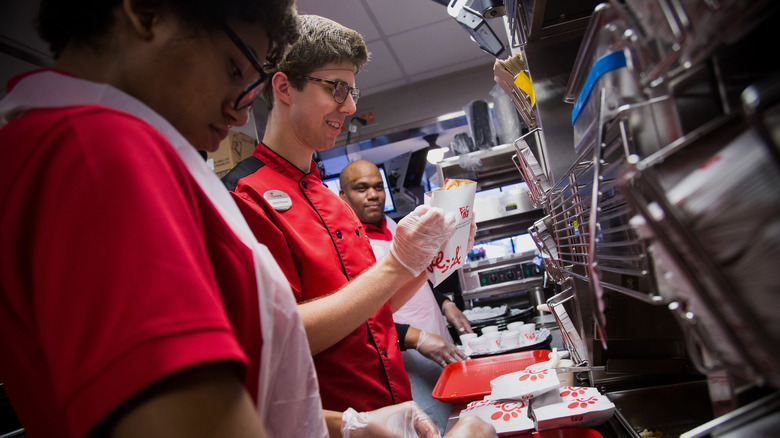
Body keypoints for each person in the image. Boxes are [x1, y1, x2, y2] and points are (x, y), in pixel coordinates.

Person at [1, 2, 494, 438]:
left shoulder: (66, 141)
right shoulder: (98, 153)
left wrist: (347, 425)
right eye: (235, 69)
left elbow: (244, 378)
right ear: (147, 12)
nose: (241, 114)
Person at [222, 14, 493, 437]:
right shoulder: (244, 196)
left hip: (394, 415)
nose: (349, 107)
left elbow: (374, 311)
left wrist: (428, 258)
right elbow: (281, 339)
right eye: (337, 88)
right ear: (283, 87)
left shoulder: (332, 200)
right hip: (337, 426)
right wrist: (397, 263)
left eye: (352, 91)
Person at [340, 159, 475, 432]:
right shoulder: (345, 245)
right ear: (343, 196)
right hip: (404, 357)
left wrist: (445, 303)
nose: (373, 195)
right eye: (361, 188)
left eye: (378, 187)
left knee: (458, 418)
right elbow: (360, 314)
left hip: (438, 340)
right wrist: (416, 338)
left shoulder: (394, 226)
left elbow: (417, 273)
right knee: (429, 426)